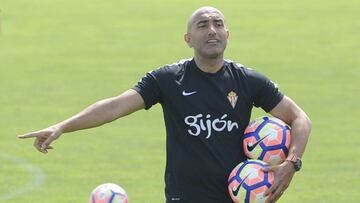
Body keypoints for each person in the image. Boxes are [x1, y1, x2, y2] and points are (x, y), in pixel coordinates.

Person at [18, 6, 312, 203]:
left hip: (236, 197)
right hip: (183, 197)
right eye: (203, 25)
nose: (212, 30)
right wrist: (61, 126)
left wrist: (291, 163)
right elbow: (113, 107)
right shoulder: (169, 79)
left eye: (218, 24)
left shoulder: (248, 81)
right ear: (188, 38)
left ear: (227, 35)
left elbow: (300, 119)